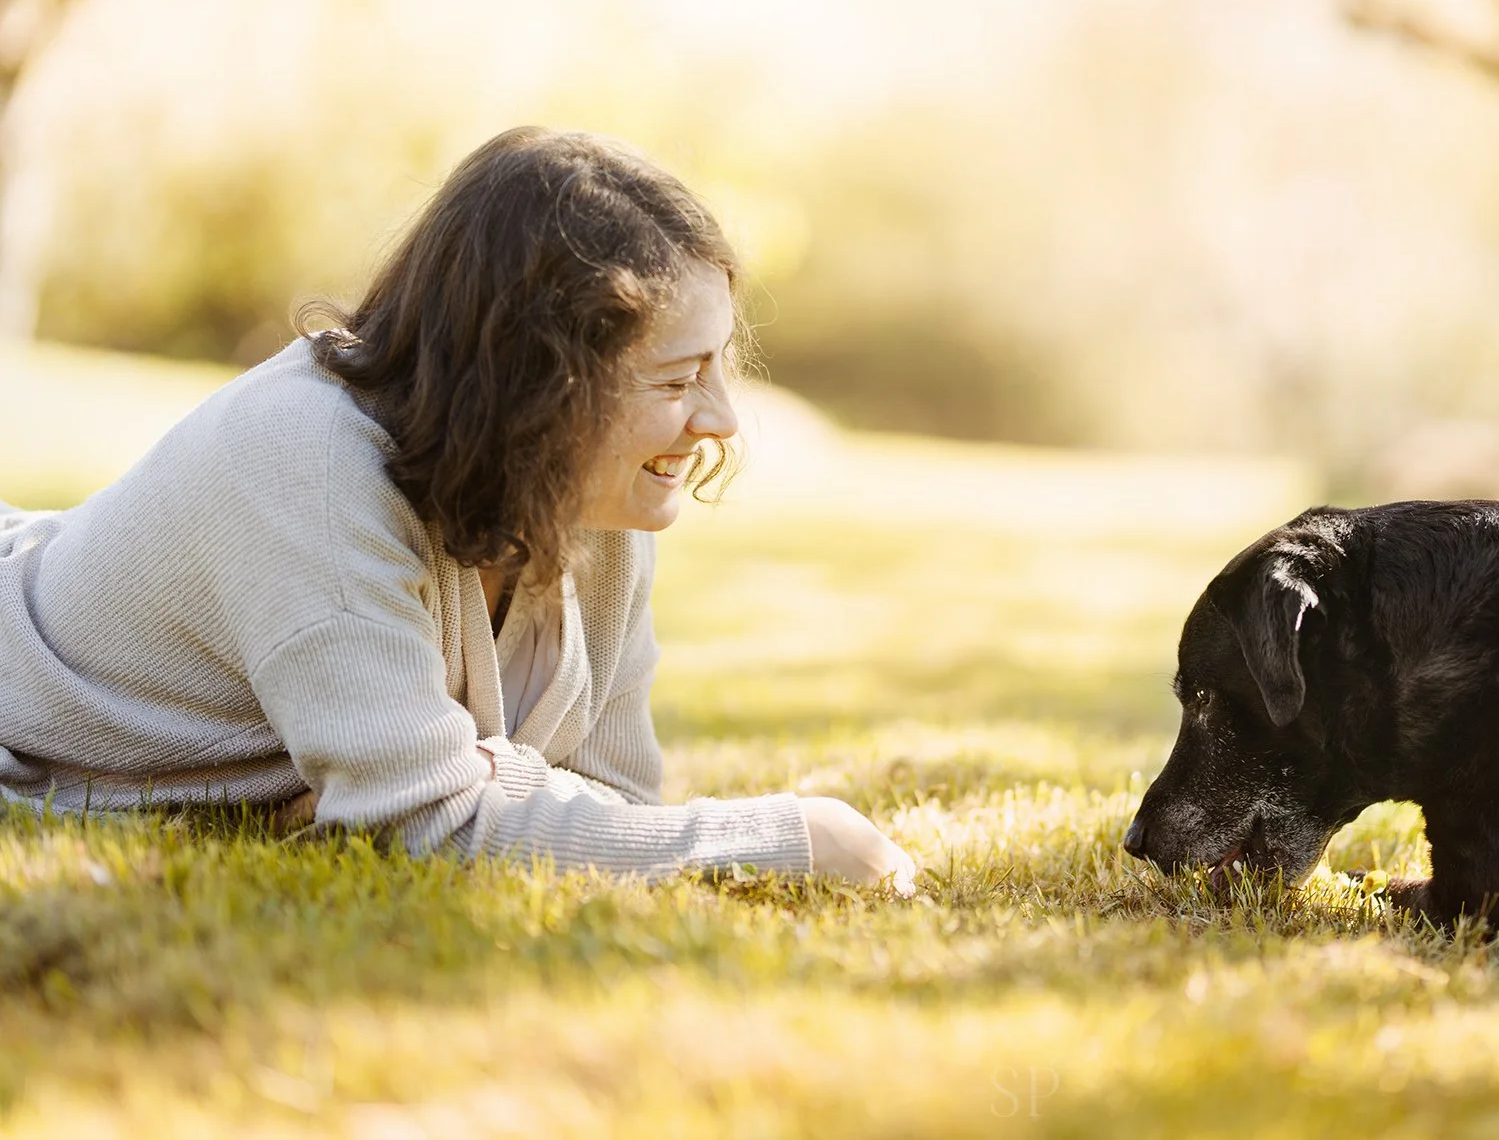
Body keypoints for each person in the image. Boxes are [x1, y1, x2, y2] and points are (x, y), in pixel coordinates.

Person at [0, 126, 915, 893]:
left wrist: (474, 777)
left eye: (719, 365)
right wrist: (788, 838)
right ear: (538, 386)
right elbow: (427, 823)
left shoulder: (595, 494)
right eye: (677, 378)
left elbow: (615, 802)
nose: (718, 420)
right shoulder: (306, 465)